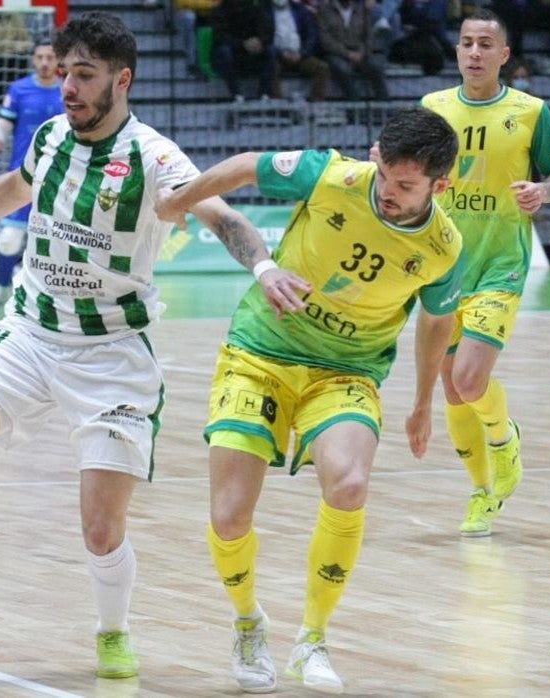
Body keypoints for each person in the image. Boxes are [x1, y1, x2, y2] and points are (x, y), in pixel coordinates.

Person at [0, 11, 308, 680]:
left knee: (100, 528)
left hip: (112, 356)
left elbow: (222, 214)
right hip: (31, 332)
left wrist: (263, 268)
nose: (68, 87)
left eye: (84, 75)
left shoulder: (154, 155)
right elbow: (16, 187)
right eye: (65, 72)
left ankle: (113, 632)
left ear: (122, 80)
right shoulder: (52, 135)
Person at [155, 106, 464, 694]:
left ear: (439, 186)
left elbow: (435, 323)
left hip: (346, 371)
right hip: (260, 351)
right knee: (229, 516)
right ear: (374, 156)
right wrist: (180, 201)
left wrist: (424, 402)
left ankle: (312, 639)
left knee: (348, 485)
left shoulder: (444, 248)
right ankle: (249, 620)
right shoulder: (330, 176)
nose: (390, 194)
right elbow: (246, 166)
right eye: (386, 177)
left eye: (407, 187)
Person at [420, 9, 550, 536]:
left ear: (504, 55)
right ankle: (482, 493)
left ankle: (504, 439)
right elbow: (410, 170)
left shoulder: (531, 111)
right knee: (453, 390)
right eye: (466, 43)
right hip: (442, 262)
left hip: (500, 263)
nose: (475, 52)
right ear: (457, 52)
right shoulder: (433, 108)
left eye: (486, 44)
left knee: (469, 378)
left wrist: (541, 191)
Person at [0, 39, 64, 319]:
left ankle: (45, 301)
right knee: (8, 240)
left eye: (50, 57)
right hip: (23, 178)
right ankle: (0, 290)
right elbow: (1, 128)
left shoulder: (69, 89)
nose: (45, 62)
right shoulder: (19, 89)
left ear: (58, 61)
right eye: (40, 57)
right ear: (33, 60)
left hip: (61, 180)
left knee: (56, 245)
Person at [317, 0, 390, 101]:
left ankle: (384, 105)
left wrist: (362, 51)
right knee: (342, 68)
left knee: (375, 66)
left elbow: (369, 35)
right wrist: (347, 54)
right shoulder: (325, 11)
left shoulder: (361, 10)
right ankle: (354, 102)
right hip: (338, 53)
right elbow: (325, 39)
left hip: (360, 51)